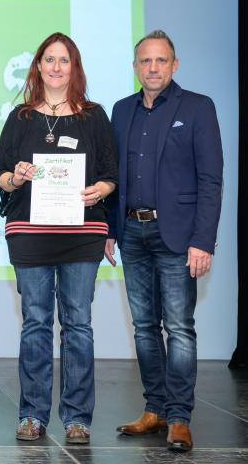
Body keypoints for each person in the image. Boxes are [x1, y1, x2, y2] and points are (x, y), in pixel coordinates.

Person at [0, 32, 117, 445]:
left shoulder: (94, 116)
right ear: (39, 66)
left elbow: (110, 172)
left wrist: (100, 189)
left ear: (74, 66)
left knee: (78, 324)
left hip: (82, 234)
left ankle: (78, 418)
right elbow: (2, 176)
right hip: (30, 233)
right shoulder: (20, 118)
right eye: (50, 59)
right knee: (36, 323)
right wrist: (17, 177)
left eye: (64, 60)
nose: (57, 67)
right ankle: (32, 415)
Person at [106, 30, 223, 453]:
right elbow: (112, 176)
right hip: (132, 234)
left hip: (178, 237)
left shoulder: (197, 108)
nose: (152, 68)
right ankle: (154, 408)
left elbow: (211, 180)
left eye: (160, 61)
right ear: (135, 67)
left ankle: (179, 417)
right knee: (143, 328)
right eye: (145, 61)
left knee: (179, 328)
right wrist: (110, 230)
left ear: (174, 65)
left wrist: (203, 240)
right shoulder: (121, 111)